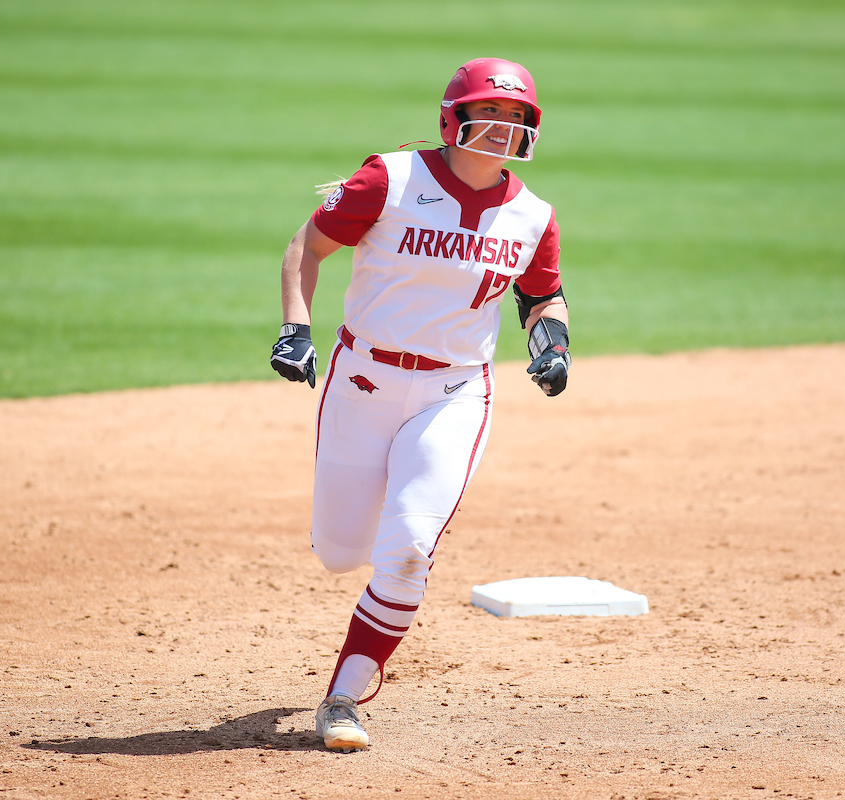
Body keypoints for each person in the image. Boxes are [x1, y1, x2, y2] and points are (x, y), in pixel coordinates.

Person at [269, 57, 571, 752]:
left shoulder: (532, 216)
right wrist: (294, 329)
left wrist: (551, 344)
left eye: (517, 119)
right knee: (340, 552)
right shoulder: (390, 179)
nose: (502, 129)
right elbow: (306, 246)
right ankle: (349, 545)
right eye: (489, 114)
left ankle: (343, 697)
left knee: (406, 550)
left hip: (455, 393)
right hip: (362, 380)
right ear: (451, 118)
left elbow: (541, 294)